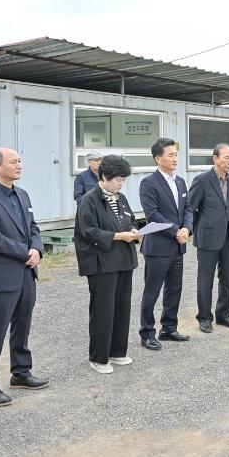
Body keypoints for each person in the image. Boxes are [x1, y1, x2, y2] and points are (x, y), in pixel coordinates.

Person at [0, 148, 48, 406]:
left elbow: (33, 227)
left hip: (26, 271)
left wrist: (37, 249)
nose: (19, 165)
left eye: (20, 161)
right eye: (13, 161)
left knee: (22, 324)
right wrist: (25, 252)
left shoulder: (22, 194)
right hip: (1, 275)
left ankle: (21, 372)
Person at [74, 155, 140, 374]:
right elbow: (89, 230)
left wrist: (133, 230)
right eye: (117, 180)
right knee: (103, 309)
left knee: (122, 306)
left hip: (123, 260)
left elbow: (130, 219)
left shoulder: (120, 198)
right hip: (101, 262)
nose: (121, 184)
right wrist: (118, 236)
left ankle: (117, 351)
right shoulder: (89, 199)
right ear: (104, 176)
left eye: (123, 180)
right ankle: (98, 356)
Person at [138, 138, 193, 350]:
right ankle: (147, 333)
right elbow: (152, 214)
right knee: (152, 292)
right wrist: (176, 230)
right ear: (157, 158)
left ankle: (169, 328)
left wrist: (187, 229)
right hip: (158, 247)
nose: (175, 158)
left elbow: (188, 209)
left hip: (178, 246)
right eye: (170, 155)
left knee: (174, 289)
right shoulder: (149, 183)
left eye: (176, 154)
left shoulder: (180, 182)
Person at [188, 143, 229, 334]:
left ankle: (223, 314)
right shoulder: (202, 180)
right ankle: (204, 318)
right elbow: (190, 208)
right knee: (205, 279)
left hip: (228, 236)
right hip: (208, 237)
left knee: (227, 278)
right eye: (226, 157)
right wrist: (190, 230)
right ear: (215, 159)